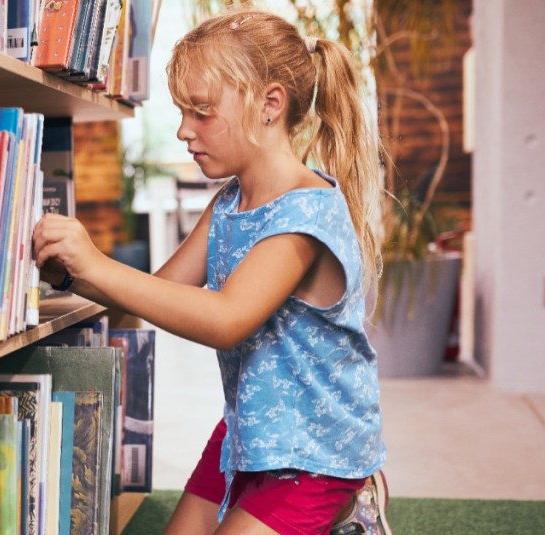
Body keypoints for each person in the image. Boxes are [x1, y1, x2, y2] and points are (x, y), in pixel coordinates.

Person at [32, 8, 393, 535]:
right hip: (250, 432)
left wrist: (98, 262)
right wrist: (71, 274)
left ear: (271, 104)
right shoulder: (228, 204)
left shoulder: (306, 214)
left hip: (318, 450)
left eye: (201, 111)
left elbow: (226, 319)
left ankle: (351, 507)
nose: (183, 130)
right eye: (182, 112)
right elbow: (157, 293)